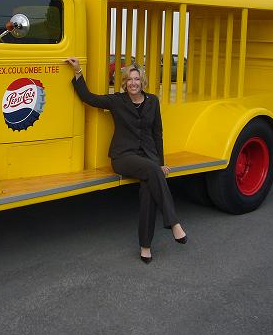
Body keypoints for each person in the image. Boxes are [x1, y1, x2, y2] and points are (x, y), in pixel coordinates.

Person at [65, 57, 187, 264]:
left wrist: (160, 162)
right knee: (152, 171)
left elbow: (158, 133)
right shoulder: (117, 101)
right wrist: (77, 72)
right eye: (129, 79)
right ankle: (173, 223)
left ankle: (145, 246)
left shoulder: (153, 102)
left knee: (149, 189)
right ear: (124, 83)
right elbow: (89, 98)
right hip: (123, 157)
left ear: (142, 82)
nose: (133, 83)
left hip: (147, 159)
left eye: (137, 79)